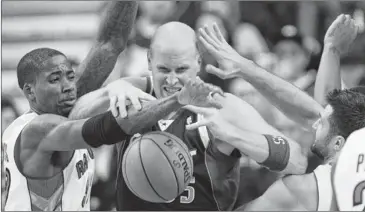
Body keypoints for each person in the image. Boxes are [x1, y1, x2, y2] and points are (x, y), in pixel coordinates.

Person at [192, 14, 364, 211]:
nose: (317, 122)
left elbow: (315, 113)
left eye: (323, 123)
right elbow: (321, 111)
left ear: (339, 143)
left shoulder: (304, 190)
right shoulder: (355, 137)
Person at [2, 2, 140, 210]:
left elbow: (110, 43)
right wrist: (175, 100)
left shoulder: (63, 108)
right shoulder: (37, 130)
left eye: (70, 76)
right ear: (30, 91)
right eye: (55, 79)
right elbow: (107, 129)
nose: (68, 87)